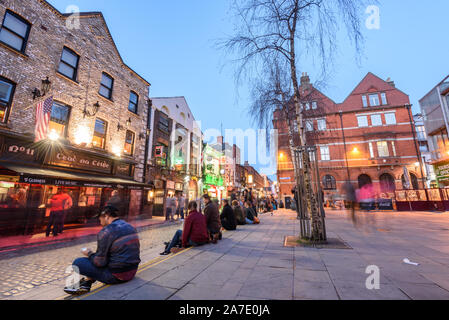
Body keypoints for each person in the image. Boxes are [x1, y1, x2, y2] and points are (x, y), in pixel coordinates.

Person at [64, 206, 141, 295]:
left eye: (100, 218)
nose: (99, 221)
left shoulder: (106, 231)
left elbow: (100, 263)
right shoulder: (129, 226)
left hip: (117, 276)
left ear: (106, 216)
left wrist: (89, 253)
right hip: (132, 272)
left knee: (78, 262)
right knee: (100, 257)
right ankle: (86, 283)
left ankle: (86, 283)